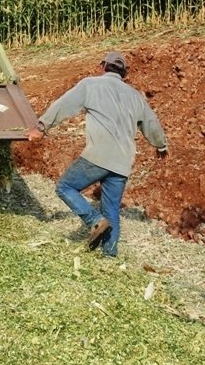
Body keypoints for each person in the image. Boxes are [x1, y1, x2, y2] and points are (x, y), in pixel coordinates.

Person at [28, 51, 168, 257]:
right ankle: (110, 256)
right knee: (111, 209)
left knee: (65, 187)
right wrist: (161, 145)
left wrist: (41, 127)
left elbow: (64, 105)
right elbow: (151, 123)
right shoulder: (135, 96)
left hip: (99, 155)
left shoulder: (91, 85)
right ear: (124, 73)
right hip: (123, 161)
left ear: (103, 66)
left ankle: (94, 220)